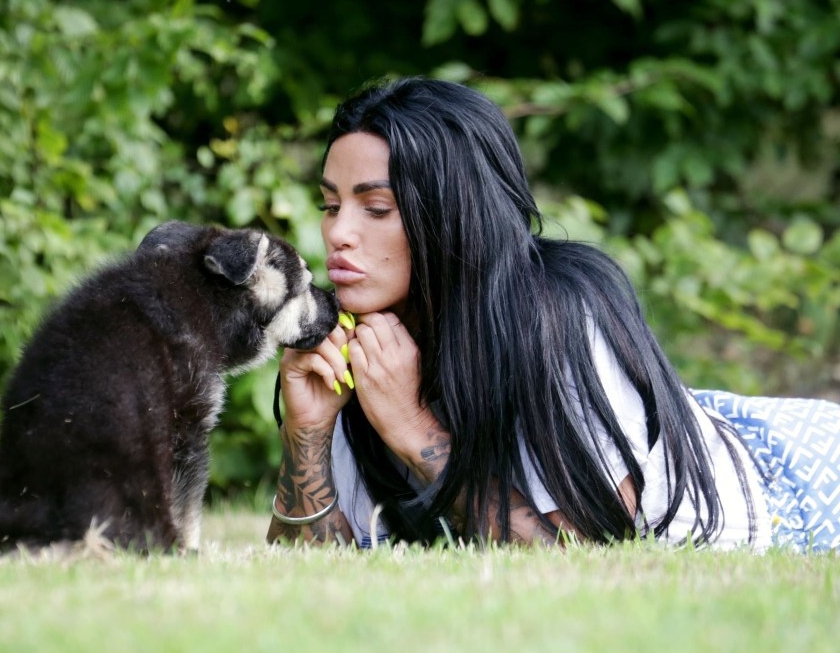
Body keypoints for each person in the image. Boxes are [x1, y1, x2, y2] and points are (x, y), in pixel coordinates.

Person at [266, 76, 840, 552]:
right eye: (331, 205)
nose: (338, 233)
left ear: (453, 214)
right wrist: (307, 433)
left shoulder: (559, 312)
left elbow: (585, 555)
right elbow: (309, 570)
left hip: (794, 475)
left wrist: (414, 428)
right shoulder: (345, 340)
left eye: (376, 208)